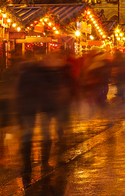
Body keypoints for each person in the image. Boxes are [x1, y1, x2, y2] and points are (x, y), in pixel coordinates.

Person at [17, 52, 73, 182]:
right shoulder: (50, 73)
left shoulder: (29, 73)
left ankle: (29, 165)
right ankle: (38, 164)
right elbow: (56, 90)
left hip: (32, 108)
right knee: (42, 135)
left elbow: (20, 91)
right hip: (40, 108)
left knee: (30, 136)